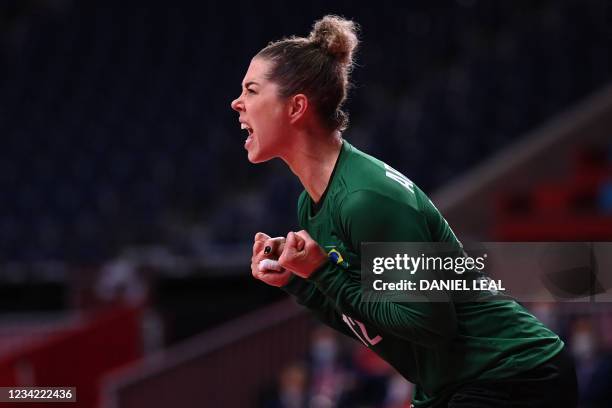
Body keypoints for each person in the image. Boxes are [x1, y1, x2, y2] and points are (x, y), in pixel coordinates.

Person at [231, 15, 578, 407]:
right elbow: (370, 324)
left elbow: (429, 324)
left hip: (512, 373)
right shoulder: (313, 203)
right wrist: (301, 281)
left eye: (252, 90)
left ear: (296, 107)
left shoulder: (365, 198)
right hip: (458, 381)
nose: (237, 102)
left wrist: (323, 272)